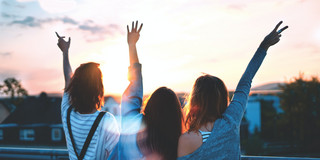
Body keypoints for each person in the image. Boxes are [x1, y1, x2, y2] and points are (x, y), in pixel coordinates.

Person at [177, 21, 288, 159]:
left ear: (195, 100)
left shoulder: (185, 141)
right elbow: (245, 83)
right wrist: (264, 46)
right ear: (223, 99)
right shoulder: (231, 121)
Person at [111, 21, 184, 160]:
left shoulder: (132, 124)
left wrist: (132, 45)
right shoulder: (175, 145)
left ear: (150, 105)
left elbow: (135, 85)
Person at [57, 32, 120, 160]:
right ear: (99, 90)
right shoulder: (107, 121)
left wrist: (65, 52)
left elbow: (67, 80)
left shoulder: (67, 113)